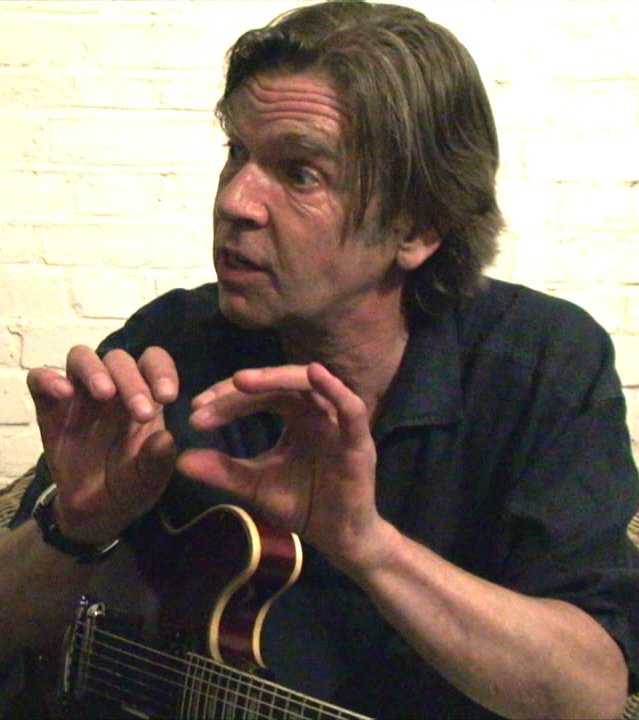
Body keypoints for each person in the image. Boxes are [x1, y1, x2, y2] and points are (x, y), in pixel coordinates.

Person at [1, 2, 638, 718]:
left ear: (418, 228)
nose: (235, 201)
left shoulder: (540, 366)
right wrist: (77, 526)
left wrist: (366, 544)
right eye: (236, 153)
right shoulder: (172, 345)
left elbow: (587, 695)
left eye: (300, 173)